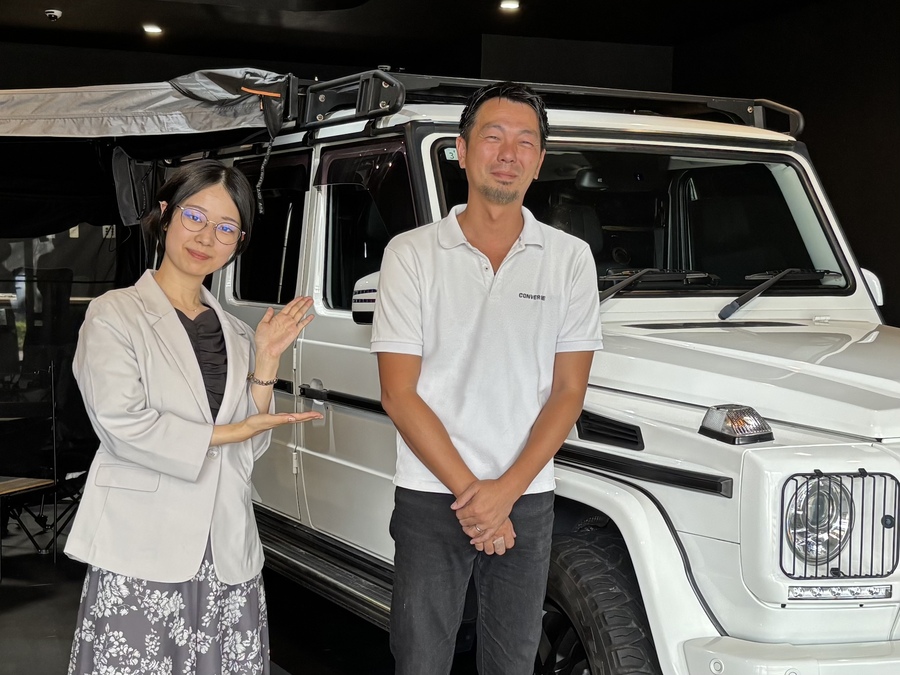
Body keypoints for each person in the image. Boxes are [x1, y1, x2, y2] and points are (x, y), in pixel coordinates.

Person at [371, 82, 604, 674]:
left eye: (525, 142)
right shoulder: (411, 254)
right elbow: (398, 393)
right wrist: (476, 499)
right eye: (493, 137)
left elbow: (569, 391)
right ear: (461, 149)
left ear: (540, 160)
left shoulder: (570, 259)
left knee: (513, 661)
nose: (508, 153)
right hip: (430, 492)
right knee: (420, 659)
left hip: (526, 494)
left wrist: (505, 495)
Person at [65, 159, 321, 675]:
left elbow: (248, 449)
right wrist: (233, 430)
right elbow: (122, 424)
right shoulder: (114, 313)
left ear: (239, 242)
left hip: (225, 548)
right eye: (195, 217)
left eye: (226, 228)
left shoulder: (240, 335)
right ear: (165, 214)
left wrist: (267, 361)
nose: (206, 237)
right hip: (143, 543)